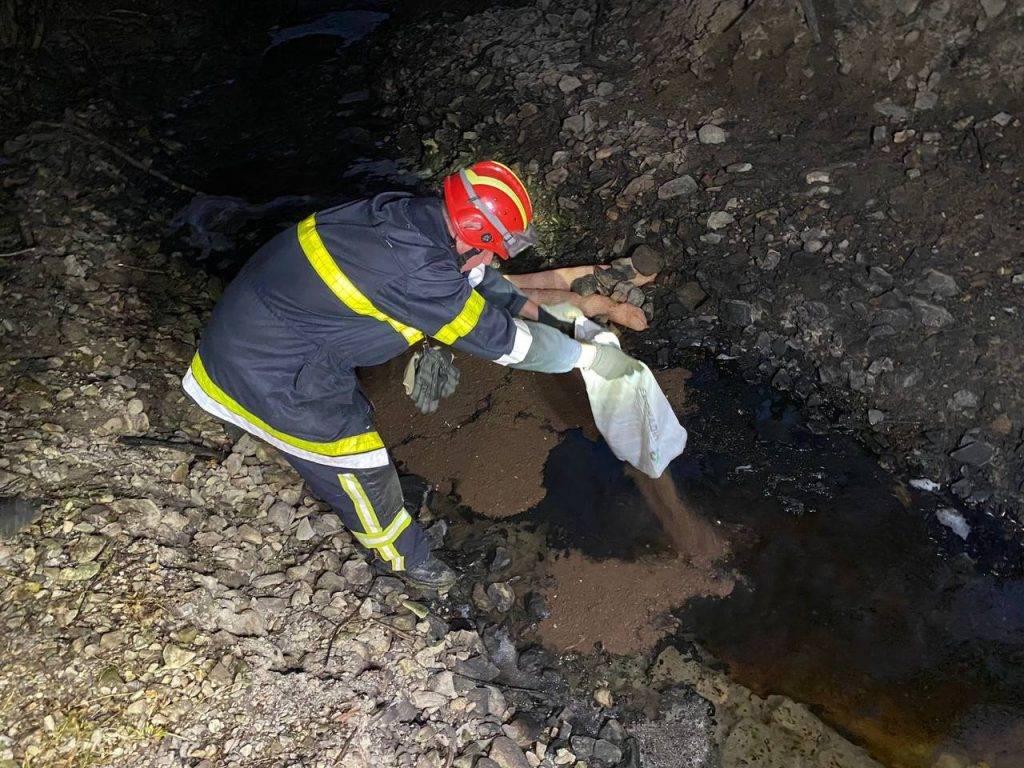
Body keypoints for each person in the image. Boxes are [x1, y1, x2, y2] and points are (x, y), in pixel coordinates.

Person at [182, 160, 640, 589]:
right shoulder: (416, 270)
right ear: (473, 232)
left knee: (357, 416)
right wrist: (588, 359)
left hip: (285, 335)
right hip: (262, 373)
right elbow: (508, 344)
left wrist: (549, 318)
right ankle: (406, 559)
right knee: (357, 458)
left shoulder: (418, 219)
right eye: (493, 249)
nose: (495, 259)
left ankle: (393, 516)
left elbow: (481, 283)